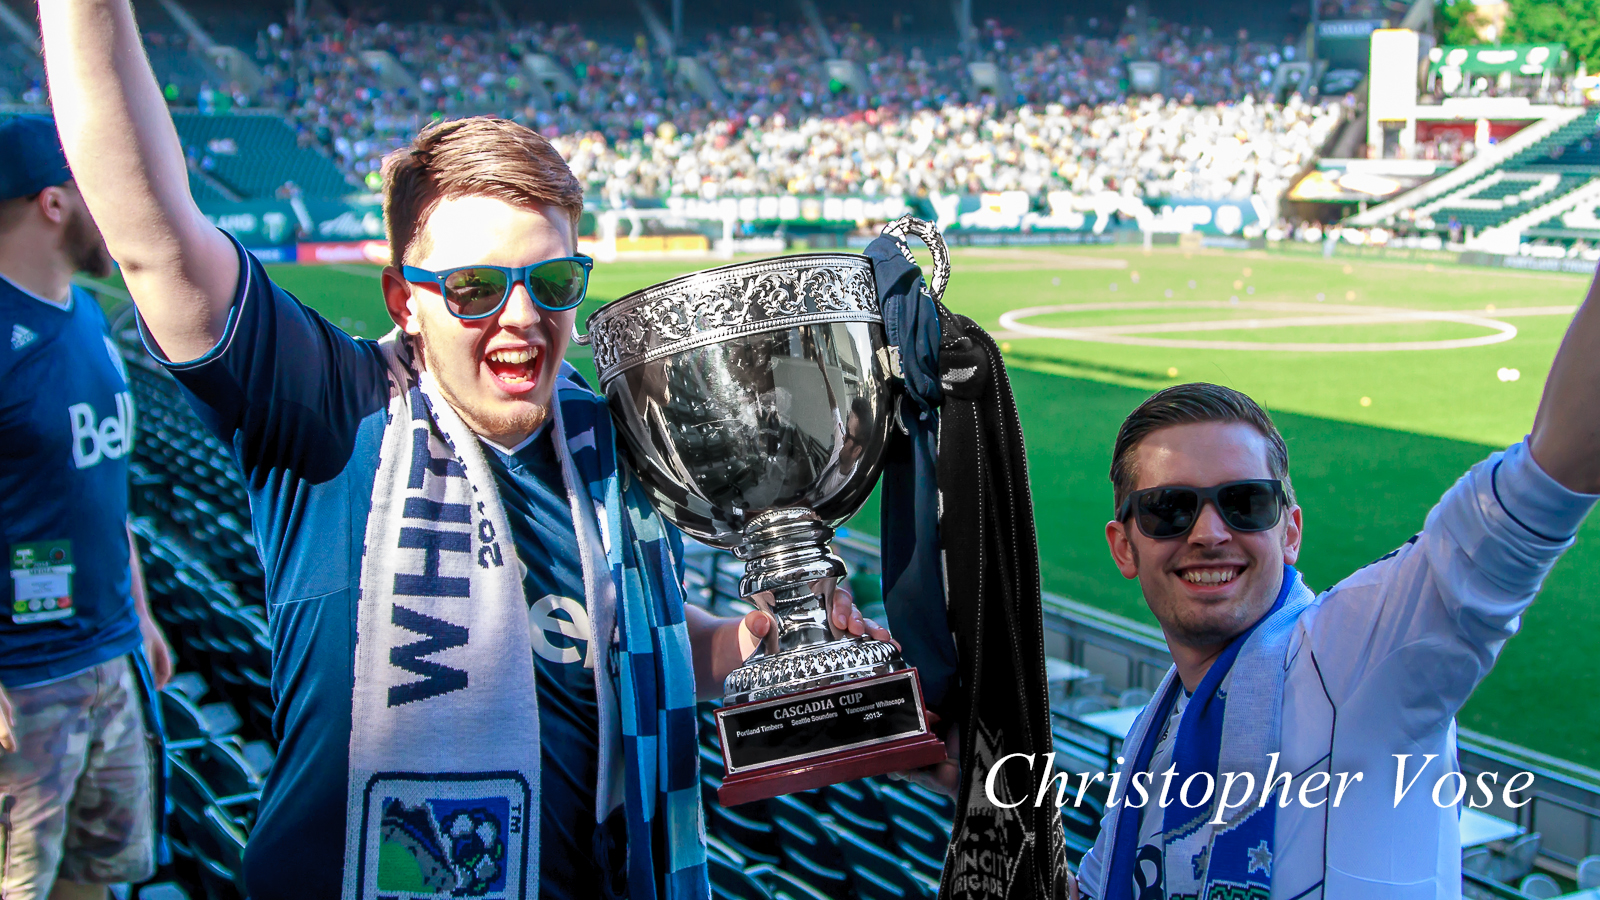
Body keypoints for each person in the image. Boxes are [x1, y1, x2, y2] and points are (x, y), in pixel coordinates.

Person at [40, 4, 893, 899]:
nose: (522, 316)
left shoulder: (614, 440)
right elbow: (150, 232)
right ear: (403, 299)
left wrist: (761, 644)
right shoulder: (330, 409)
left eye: (553, 281)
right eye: (476, 287)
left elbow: (640, 640)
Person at [1074, 344, 1600, 895]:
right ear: (1124, 548)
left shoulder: (1358, 663)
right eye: (1169, 508)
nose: (1209, 534)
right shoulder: (1157, 734)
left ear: (1291, 531)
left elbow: (1540, 486)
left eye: (1246, 502)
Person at [0, 115, 174, 900]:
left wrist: (138, 614)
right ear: (53, 203)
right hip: (22, 686)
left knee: (98, 880)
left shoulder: (92, 321)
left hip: (110, 660)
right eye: (92, 191)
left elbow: (101, 489)